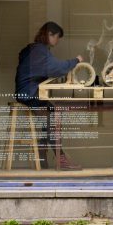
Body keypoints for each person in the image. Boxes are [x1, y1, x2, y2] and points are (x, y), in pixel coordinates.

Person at [14, 21, 84, 171]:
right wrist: (76, 60)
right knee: (53, 116)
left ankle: (44, 156)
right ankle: (61, 159)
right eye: (57, 37)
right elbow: (56, 68)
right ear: (50, 35)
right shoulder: (39, 51)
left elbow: (46, 69)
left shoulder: (34, 49)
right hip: (29, 94)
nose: (57, 41)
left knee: (50, 115)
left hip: (26, 92)